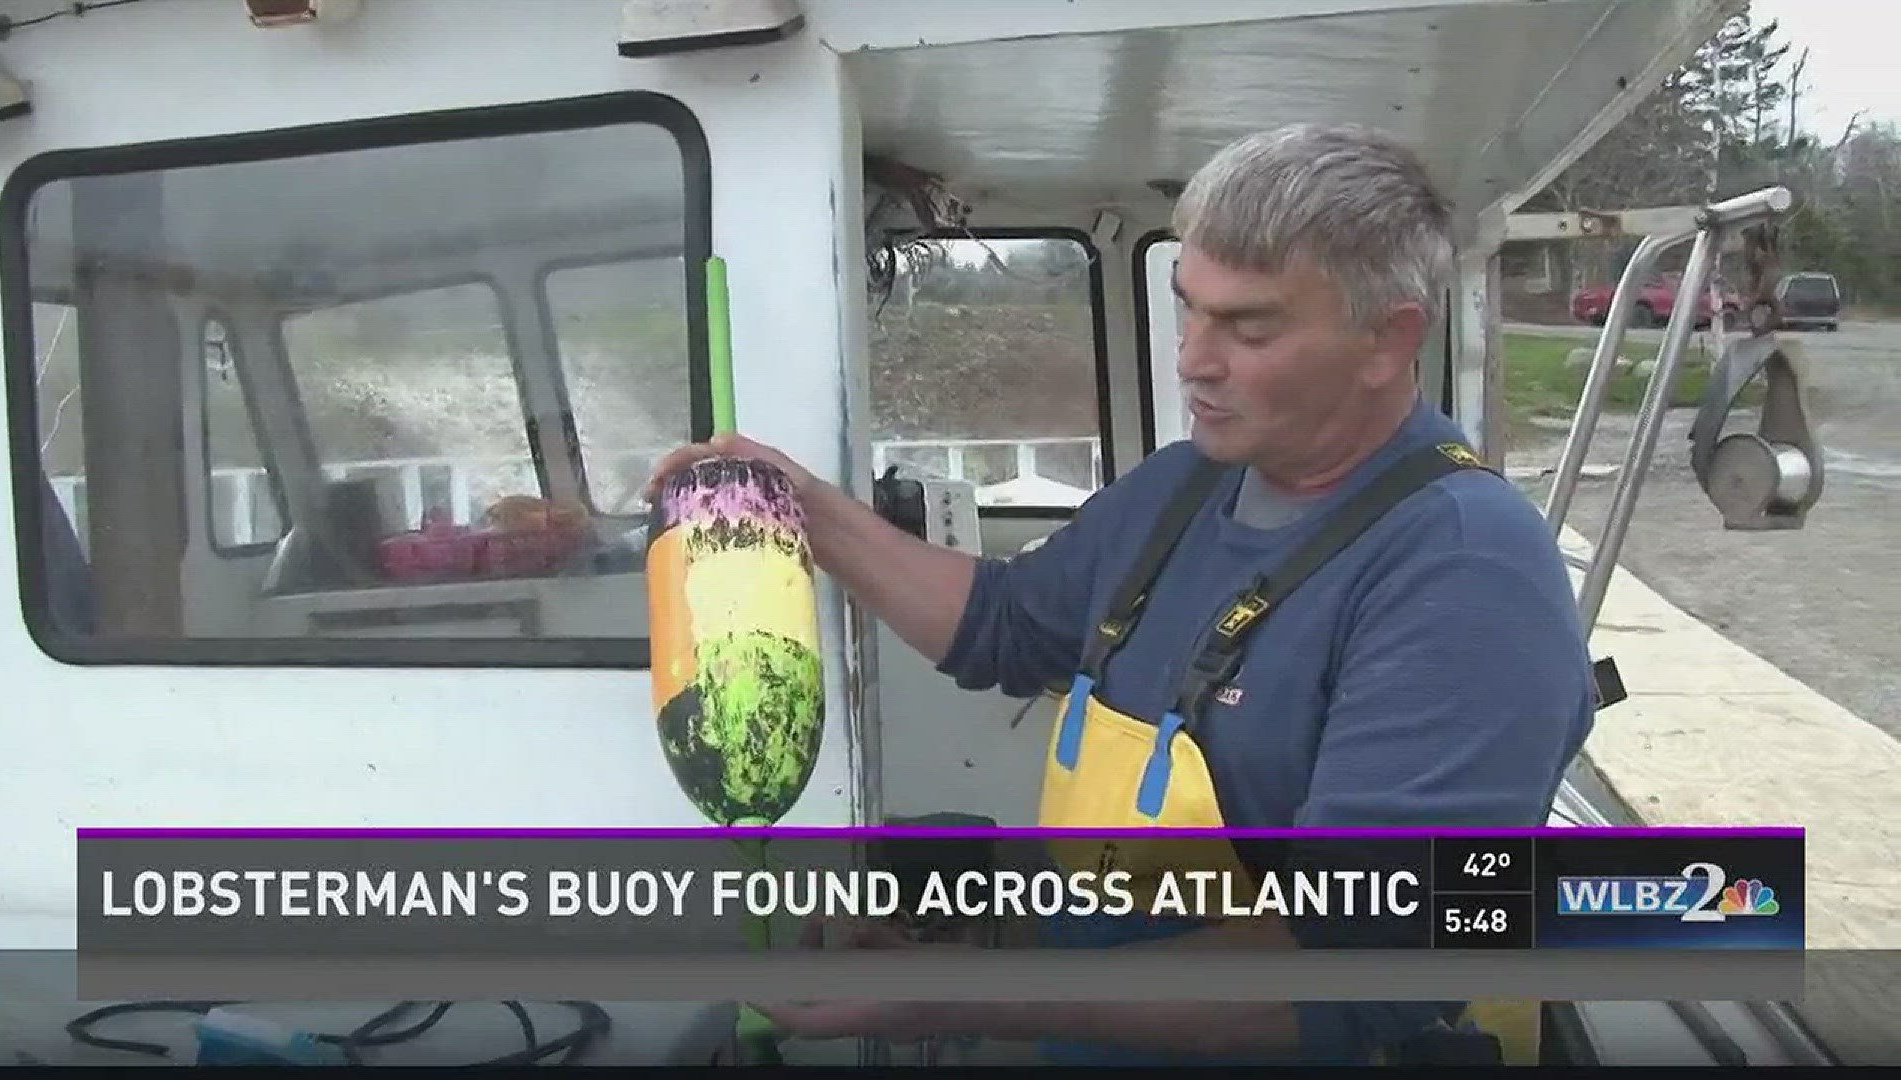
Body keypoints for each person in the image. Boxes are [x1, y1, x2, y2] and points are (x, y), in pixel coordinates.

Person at [645, 123, 1596, 1065]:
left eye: (1249, 325)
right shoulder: (1183, 486)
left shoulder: (1465, 576)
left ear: (1388, 341)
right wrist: (799, 504)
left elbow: (1357, 962)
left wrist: (960, 995)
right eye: (1190, 308)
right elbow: (1004, 628)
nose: (1193, 359)